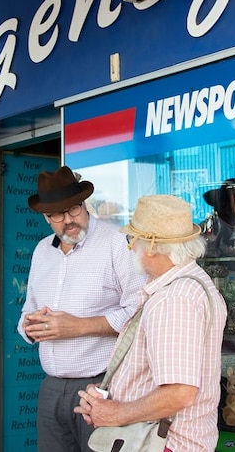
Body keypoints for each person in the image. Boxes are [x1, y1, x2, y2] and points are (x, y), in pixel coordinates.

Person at [75, 194, 228, 452]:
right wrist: (110, 397)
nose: (129, 247)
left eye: (132, 239)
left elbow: (179, 392)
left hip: (164, 444)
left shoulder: (174, 299)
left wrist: (116, 413)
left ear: (153, 246)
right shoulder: (188, 285)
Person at [18, 166, 145, 452]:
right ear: (45, 217)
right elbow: (28, 310)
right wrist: (29, 326)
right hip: (50, 388)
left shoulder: (116, 242)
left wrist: (81, 326)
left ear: (84, 203)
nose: (68, 220)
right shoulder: (41, 251)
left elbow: (140, 310)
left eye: (74, 209)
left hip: (102, 387)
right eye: (57, 215)